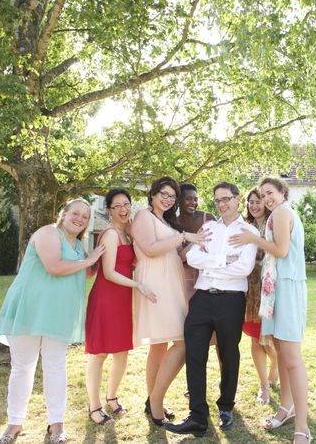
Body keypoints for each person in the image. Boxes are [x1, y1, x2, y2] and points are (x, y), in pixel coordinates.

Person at [0, 199, 106, 444]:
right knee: (22, 368)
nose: (80, 219)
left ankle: (56, 425)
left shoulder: (77, 244)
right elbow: (54, 267)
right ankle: (14, 424)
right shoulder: (47, 233)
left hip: (58, 314)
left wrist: (101, 257)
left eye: (85, 217)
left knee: (56, 367)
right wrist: (88, 261)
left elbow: (85, 272)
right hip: (29, 310)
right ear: (63, 214)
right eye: (75, 213)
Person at [165, 182, 258, 437]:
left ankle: (226, 406)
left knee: (229, 354)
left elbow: (244, 268)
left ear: (238, 199)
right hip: (202, 299)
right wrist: (222, 260)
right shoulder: (208, 228)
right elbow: (193, 258)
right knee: (194, 355)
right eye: (217, 200)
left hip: (231, 301)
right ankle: (197, 416)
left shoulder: (248, 231)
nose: (221, 204)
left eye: (226, 198)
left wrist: (210, 264)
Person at [229, 177, 312, 443]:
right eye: (263, 194)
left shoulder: (283, 212)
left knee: (291, 359)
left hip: (287, 289)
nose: (266, 198)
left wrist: (253, 239)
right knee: (281, 352)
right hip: (274, 289)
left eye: (270, 193)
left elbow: (281, 250)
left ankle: (303, 427)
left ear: (282, 192)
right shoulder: (277, 213)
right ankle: (285, 408)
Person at [130, 176, 207, 427]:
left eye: (172, 196)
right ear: (152, 194)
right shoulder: (143, 216)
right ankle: (155, 402)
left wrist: (197, 241)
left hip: (172, 282)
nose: (168, 199)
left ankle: (154, 401)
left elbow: (175, 255)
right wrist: (184, 235)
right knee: (182, 341)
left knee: (160, 346)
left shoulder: (166, 221)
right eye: (164, 194)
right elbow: (151, 249)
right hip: (155, 282)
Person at [85, 189, 152, 424]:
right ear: (108, 210)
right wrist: (138, 284)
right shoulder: (111, 234)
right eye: (117, 206)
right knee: (100, 353)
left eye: (127, 204)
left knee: (122, 352)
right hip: (106, 298)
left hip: (123, 300)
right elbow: (109, 272)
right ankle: (94, 407)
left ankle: (112, 397)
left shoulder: (128, 234)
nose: (123, 210)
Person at [241, 187, 279, 404]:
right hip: (248, 291)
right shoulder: (245, 227)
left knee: (269, 342)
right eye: (251, 202)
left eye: (258, 201)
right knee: (255, 339)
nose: (254, 205)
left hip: (270, 289)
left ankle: (275, 363)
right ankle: (263, 385)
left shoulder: (274, 225)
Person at [176, 183, 215, 301]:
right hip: (184, 277)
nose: (193, 202)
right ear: (178, 200)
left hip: (206, 276)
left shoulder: (208, 218)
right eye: (188, 199)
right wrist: (196, 240)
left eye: (195, 199)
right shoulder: (174, 224)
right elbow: (177, 257)